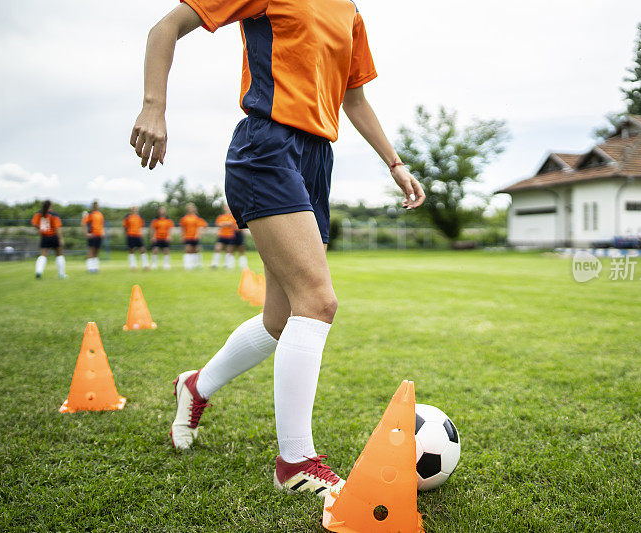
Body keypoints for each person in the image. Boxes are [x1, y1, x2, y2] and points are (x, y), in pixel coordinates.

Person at [130, 0, 425, 496]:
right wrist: (153, 106)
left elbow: (353, 97)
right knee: (319, 300)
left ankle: (195, 387)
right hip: (265, 146)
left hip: (316, 157)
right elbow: (166, 27)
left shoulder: (350, 12)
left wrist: (394, 163)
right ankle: (295, 461)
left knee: (280, 318)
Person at [31, 200, 66, 279]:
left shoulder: (39, 214)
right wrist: (60, 238)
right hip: (53, 236)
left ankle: (39, 271)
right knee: (59, 254)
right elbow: (57, 228)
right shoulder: (54, 215)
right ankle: (61, 274)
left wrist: (40, 229)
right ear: (50, 206)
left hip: (44, 236)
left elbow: (34, 223)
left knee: (43, 255)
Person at [179, 203, 207, 270]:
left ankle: (197, 265)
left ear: (195, 209)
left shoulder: (198, 218)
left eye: (192, 207)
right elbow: (182, 228)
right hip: (187, 236)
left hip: (195, 237)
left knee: (196, 250)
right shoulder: (184, 218)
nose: (191, 209)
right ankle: (188, 266)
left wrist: (199, 234)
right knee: (188, 250)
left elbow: (203, 226)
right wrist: (183, 236)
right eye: (189, 208)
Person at [81, 201, 105, 273]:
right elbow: (83, 223)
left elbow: (101, 225)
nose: (96, 206)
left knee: (96, 251)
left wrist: (102, 232)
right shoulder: (90, 214)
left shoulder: (100, 214)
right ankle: (90, 268)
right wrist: (87, 233)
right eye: (95, 205)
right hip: (92, 235)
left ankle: (96, 268)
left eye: (97, 205)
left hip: (99, 235)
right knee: (91, 251)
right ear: (93, 206)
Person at [123, 206, 149, 270]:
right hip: (130, 235)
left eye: (136, 209)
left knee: (142, 249)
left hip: (138, 235)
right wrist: (127, 234)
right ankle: (133, 266)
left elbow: (141, 226)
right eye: (133, 209)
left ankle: (145, 265)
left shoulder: (139, 217)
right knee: (131, 250)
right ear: (131, 210)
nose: (135, 210)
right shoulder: (127, 217)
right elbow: (124, 226)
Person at [211, 203, 236, 269]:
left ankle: (228, 265)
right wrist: (227, 224)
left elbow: (233, 224)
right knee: (217, 248)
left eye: (227, 207)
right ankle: (215, 264)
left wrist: (225, 224)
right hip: (222, 235)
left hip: (230, 235)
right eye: (225, 207)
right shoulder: (220, 217)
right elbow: (218, 224)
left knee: (229, 250)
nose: (226, 208)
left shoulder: (233, 216)